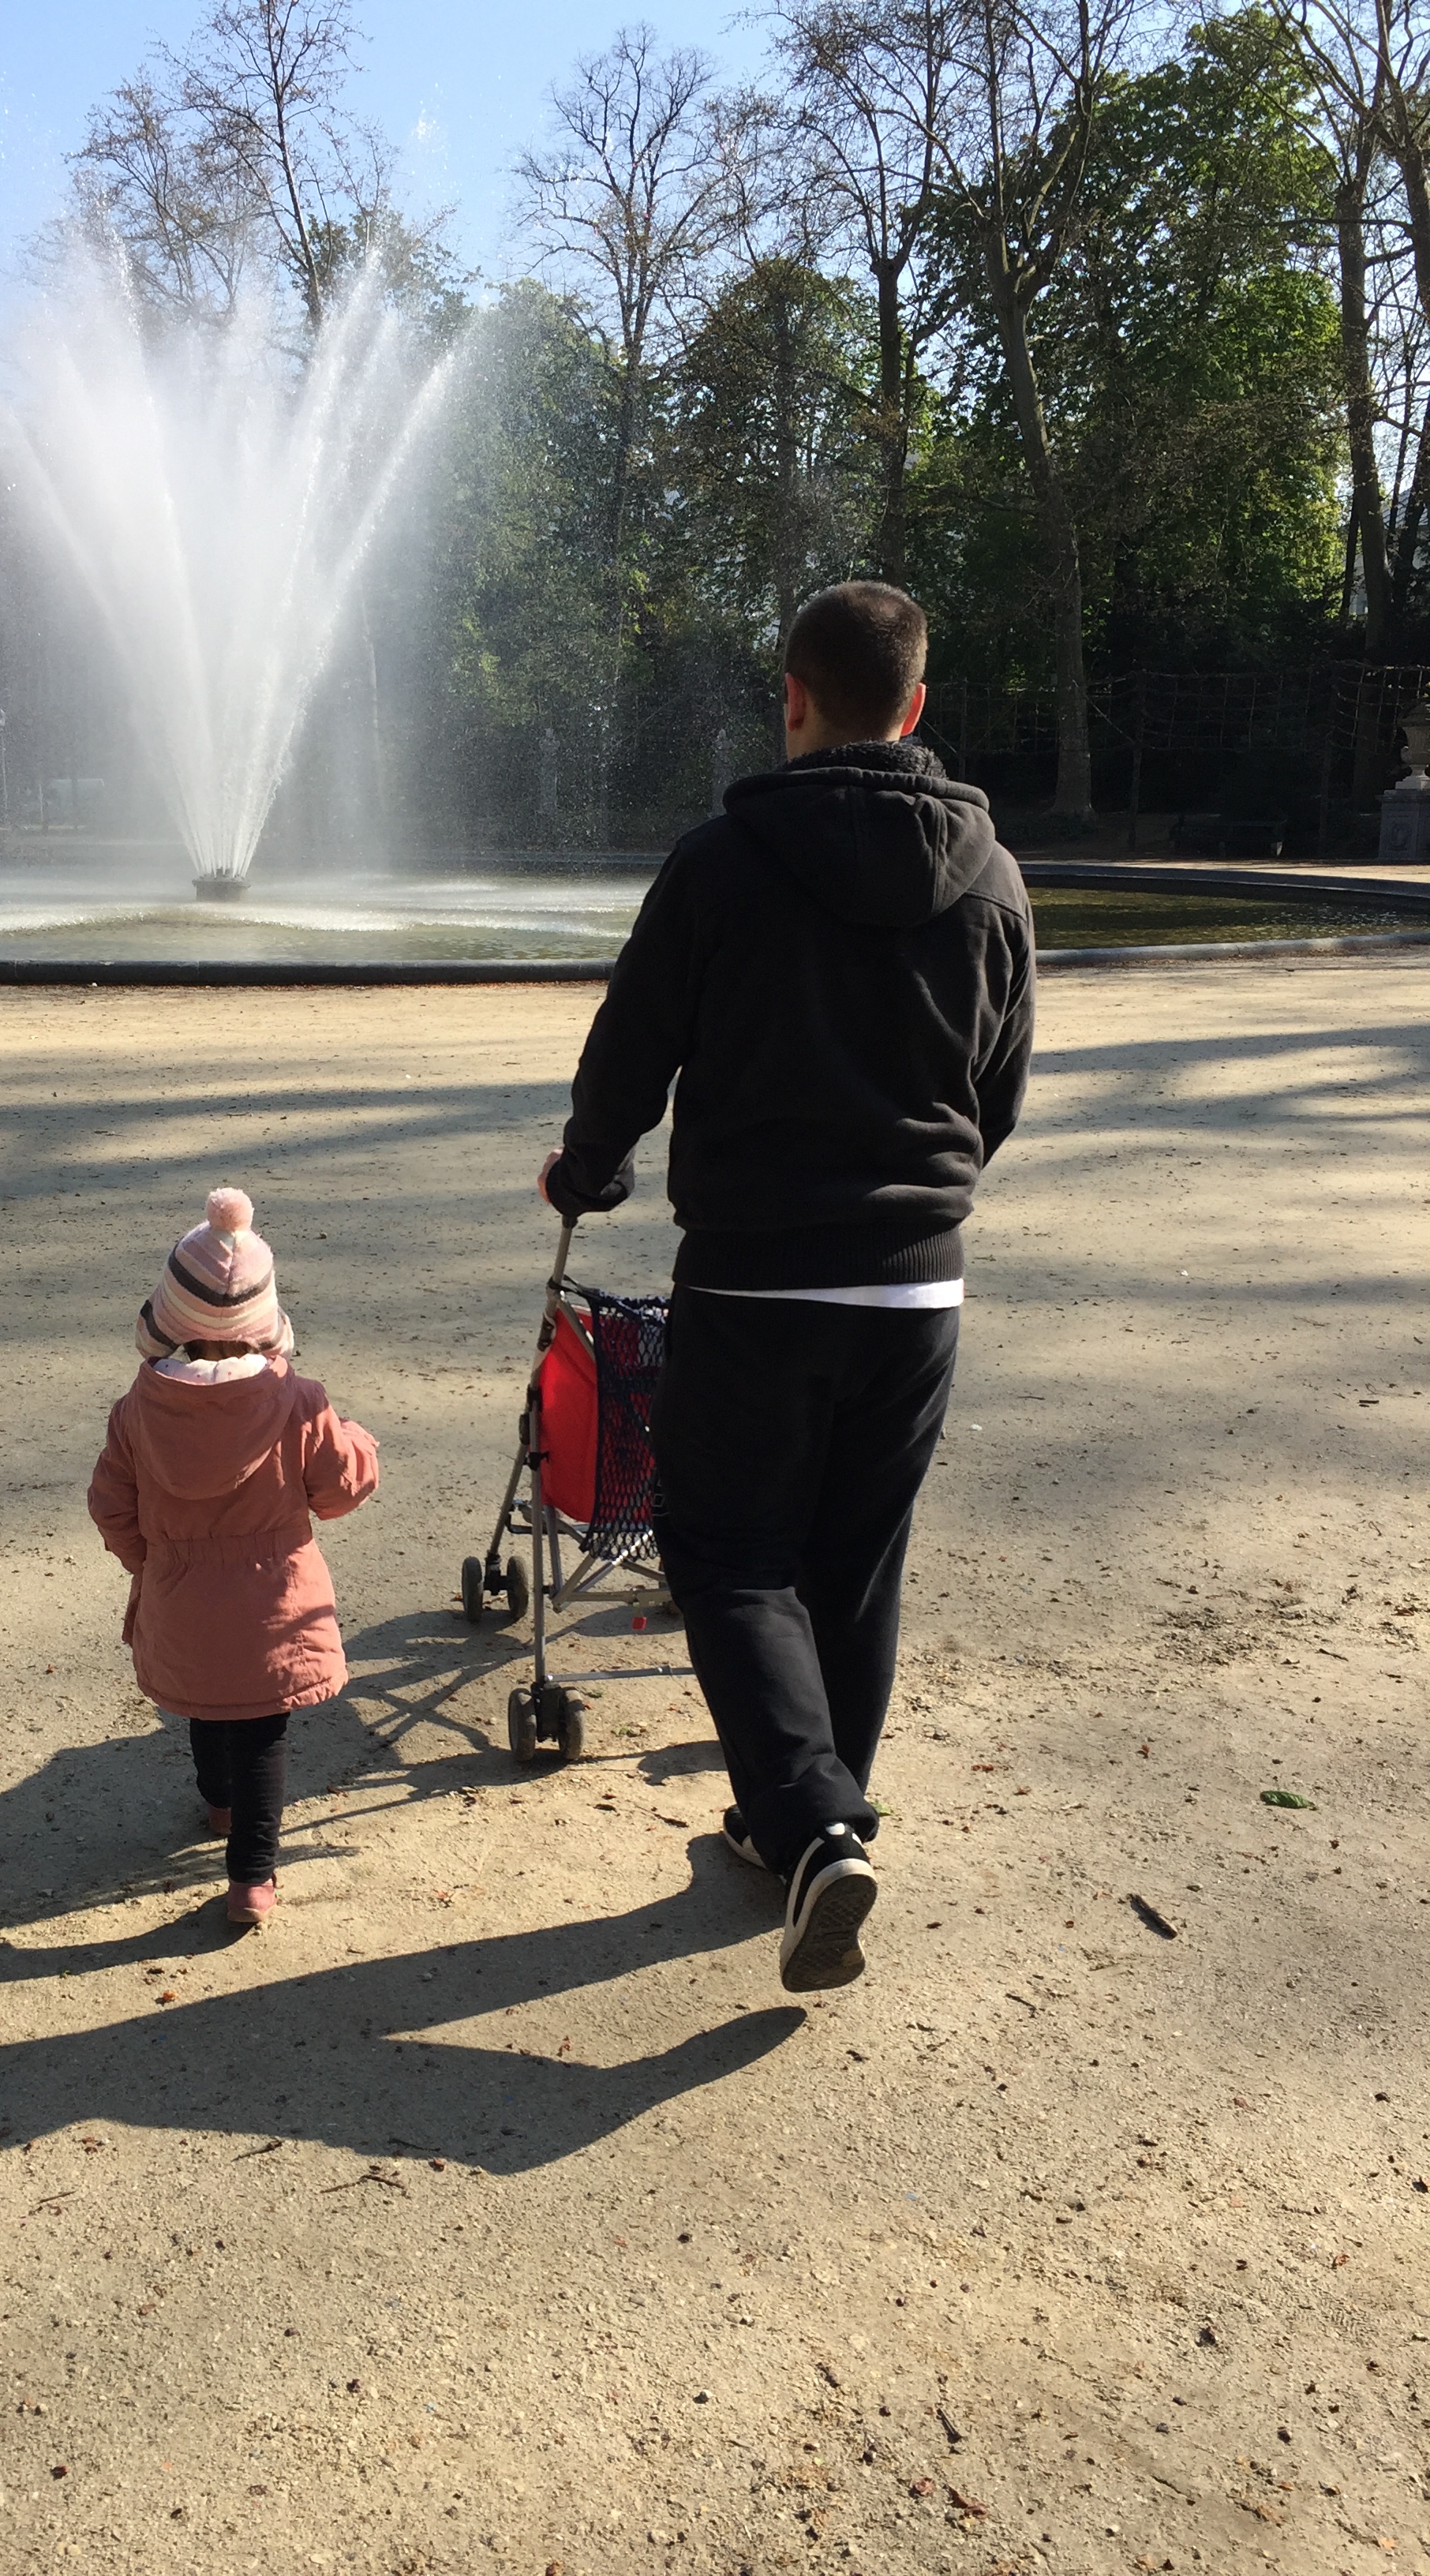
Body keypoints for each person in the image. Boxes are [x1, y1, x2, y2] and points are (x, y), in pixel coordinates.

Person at [538, 581, 1034, 1992]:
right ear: (916, 707)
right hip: (916, 1289)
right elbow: (992, 1094)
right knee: (851, 1563)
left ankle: (814, 1820)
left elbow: (629, 1046)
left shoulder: (721, 861)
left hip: (760, 1281)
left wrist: (586, 1169)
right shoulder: (993, 878)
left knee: (725, 1551)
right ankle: (803, 1832)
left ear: (791, 697)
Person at [88, 1188, 379, 1928]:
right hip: (275, 1601)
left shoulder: (137, 1410)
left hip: (181, 1592)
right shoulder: (300, 1400)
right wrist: (359, 1439)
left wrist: (147, 1564)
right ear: (265, 1320)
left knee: (204, 1703)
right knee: (263, 1735)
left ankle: (215, 1803)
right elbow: (341, 1489)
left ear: (170, 1318)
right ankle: (251, 1878)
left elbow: (111, 1505)